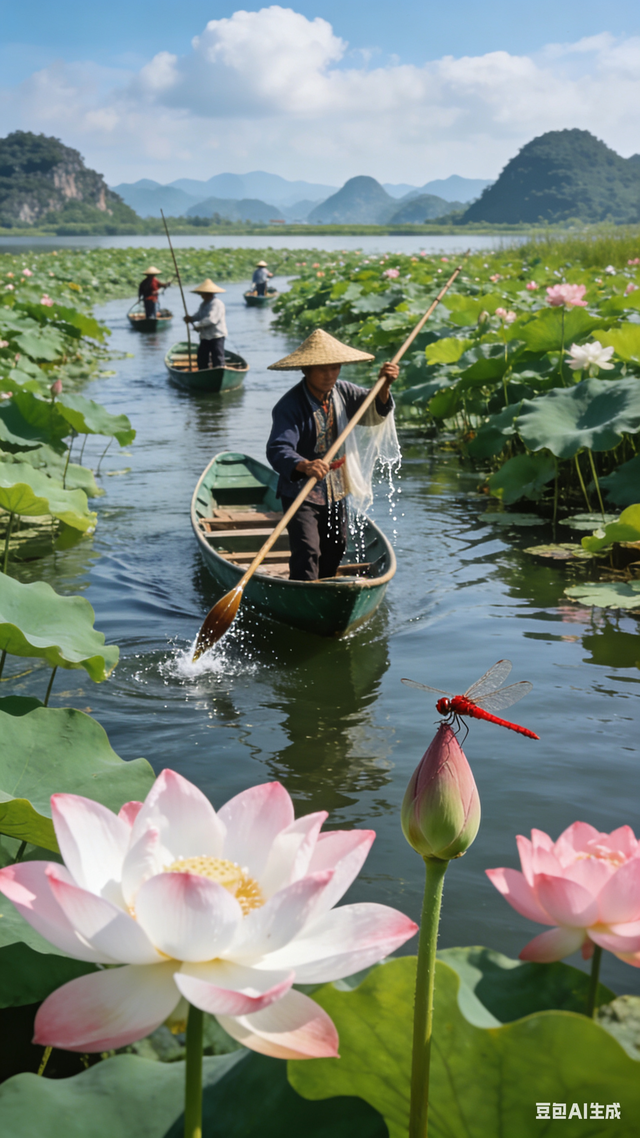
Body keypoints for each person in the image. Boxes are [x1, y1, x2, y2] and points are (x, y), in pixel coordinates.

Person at [266, 328, 399, 581]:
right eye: (322, 369)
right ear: (306, 370)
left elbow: (372, 413)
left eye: (334, 368)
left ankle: (325, 590)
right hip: (301, 490)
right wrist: (304, 465)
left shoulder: (344, 392)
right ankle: (305, 596)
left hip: (335, 486)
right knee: (307, 550)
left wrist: (385, 385)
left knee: (336, 546)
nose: (329, 375)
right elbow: (277, 449)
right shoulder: (290, 406)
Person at [184, 279, 227, 370]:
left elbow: (211, 320)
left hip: (216, 335)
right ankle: (203, 372)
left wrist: (198, 326)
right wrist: (191, 318)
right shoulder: (204, 304)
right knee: (202, 357)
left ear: (209, 293)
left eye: (202, 293)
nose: (201, 296)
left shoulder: (217, 304)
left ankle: (218, 372)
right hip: (205, 336)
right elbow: (199, 315)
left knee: (217, 358)